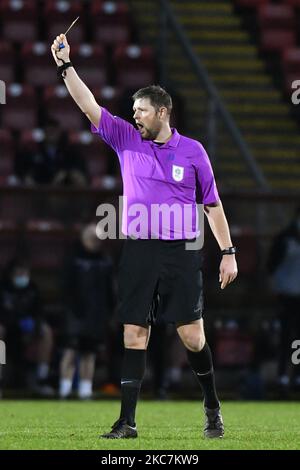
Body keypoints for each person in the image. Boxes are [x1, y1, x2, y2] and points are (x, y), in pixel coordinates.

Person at [51, 34, 238, 439]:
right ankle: (127, 422)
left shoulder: (193, 152)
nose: (134, 116)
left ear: (163, 112)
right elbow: (87, 103)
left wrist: (228, 252)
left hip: (182, 251)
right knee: (134, 331)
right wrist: (66, 66)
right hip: (138, 248)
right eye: (133, 110)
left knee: (192, 336)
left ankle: (211, 407)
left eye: (142, 111)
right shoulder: (124, 138)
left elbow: (213, 205)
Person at [59, 223, 115, 399]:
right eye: (92, 238)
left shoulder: (105, 261)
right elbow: (64, 286)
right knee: (70, 350)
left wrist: (110, 311)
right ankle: (65, 389)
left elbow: (110, 289)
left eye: (98, 239)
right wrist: (71, 309)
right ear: (83, 237)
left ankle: (85, 389)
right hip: (75, 313)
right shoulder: (72, 258)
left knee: (89, 353)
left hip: (96, 314)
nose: (95, 242)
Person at [0, 257, 53, 396]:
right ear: (11, 274)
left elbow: (39, 312)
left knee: (46, 331)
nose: (22, 277)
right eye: (19, 274)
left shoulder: (32, 288)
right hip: (8, 328)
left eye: (25, 274)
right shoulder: (3, 288)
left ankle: (42, 378)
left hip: (28, 328)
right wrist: (13, 322)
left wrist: (35, 325)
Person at [268, 207, 300, 392]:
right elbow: (271, 265)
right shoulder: (285, 239)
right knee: (284, 336)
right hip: (286, 294)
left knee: (298, 339)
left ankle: (296, 375)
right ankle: (282, 375)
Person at [14, 117, 88, 187]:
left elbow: (77, 170)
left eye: (54, 131)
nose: (51, 134)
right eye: (49, 131)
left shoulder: (69, 151)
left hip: (63, 190)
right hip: (40, 189)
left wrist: (66, 173)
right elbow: (25, 171)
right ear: (44, 132)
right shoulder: (34, 151)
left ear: (59, 132)